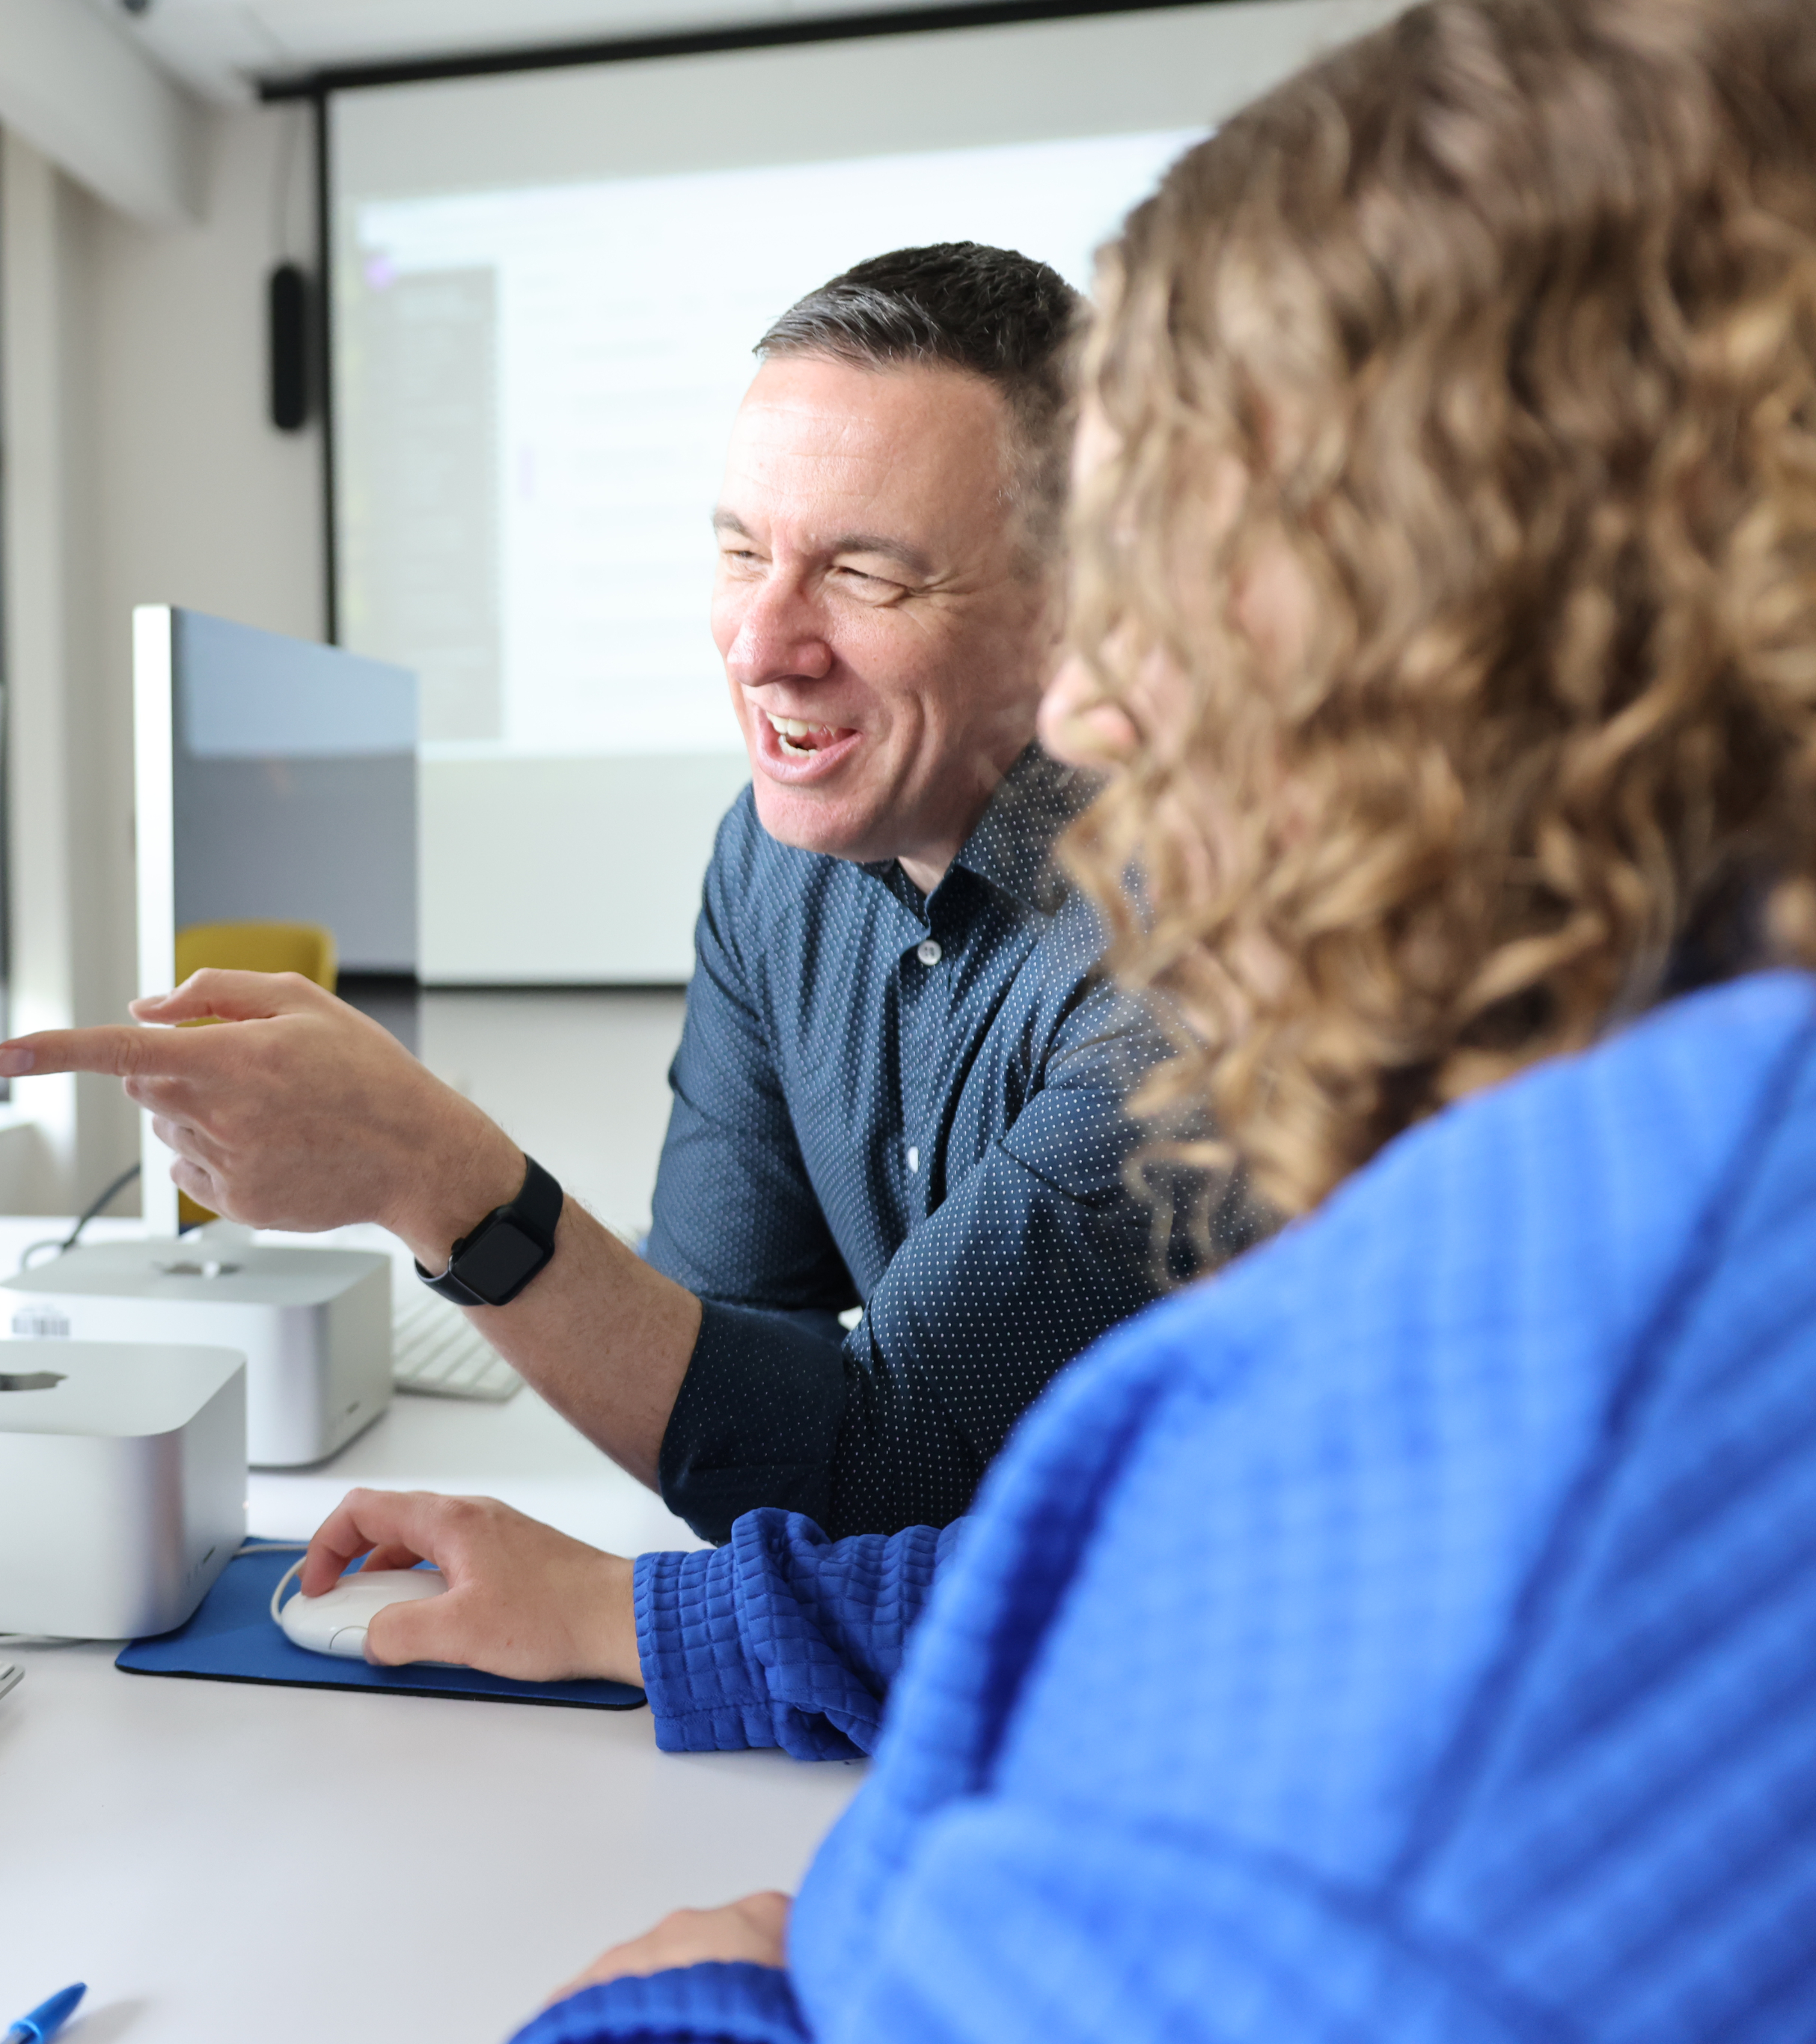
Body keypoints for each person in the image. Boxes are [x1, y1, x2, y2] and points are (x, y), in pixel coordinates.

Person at [329, 0, 1816, 2035]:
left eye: (1194, 584)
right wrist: (663, 1630)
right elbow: (1079, 1558)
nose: (1102, 723)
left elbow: (899, 1470)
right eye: (742, 552)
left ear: (1530, 636)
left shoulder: (1542, 1443)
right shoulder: (1553, 1200)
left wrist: (757, 1998)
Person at [0, 243, 1186, 1542]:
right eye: (741, 554)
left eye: (864, 574)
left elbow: (885, 1474)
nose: (759, 645)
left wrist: (434, 1173)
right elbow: (716, 1342)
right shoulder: (773, 862)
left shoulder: (1181, 950)